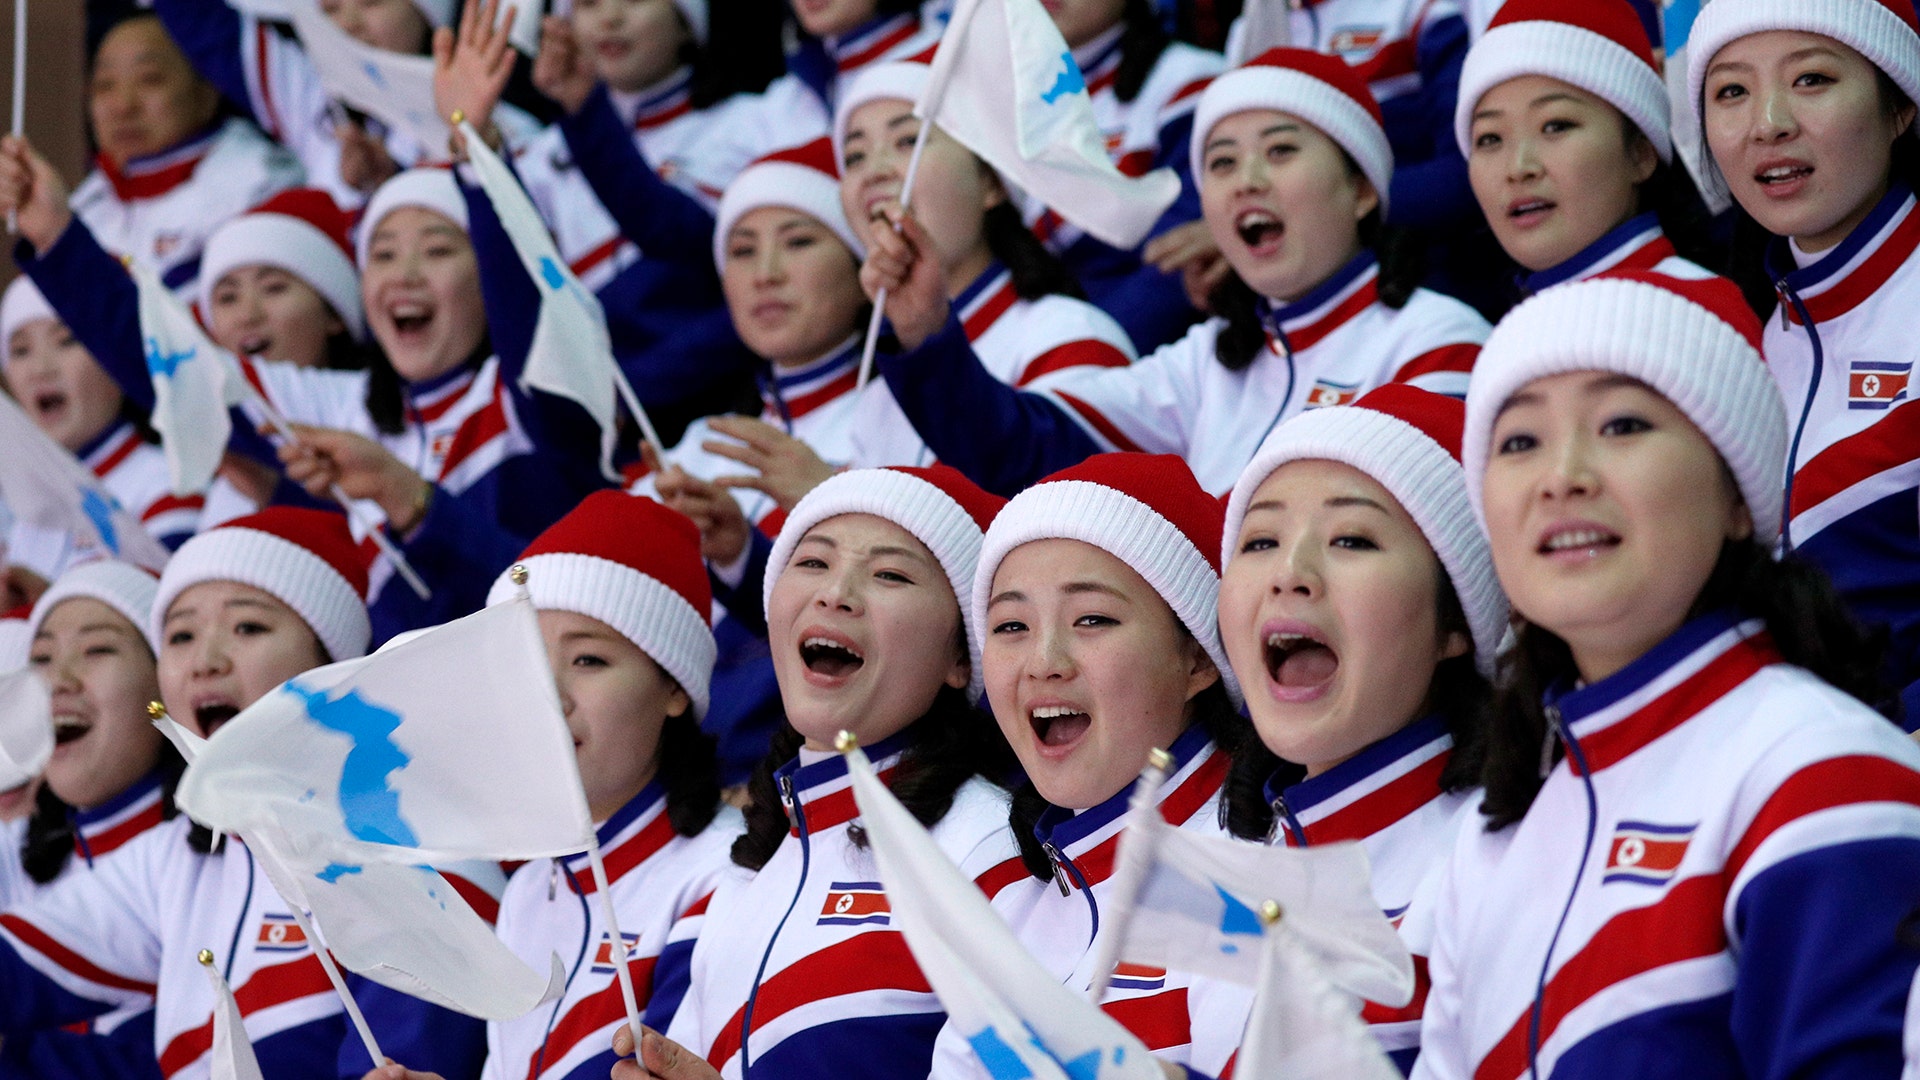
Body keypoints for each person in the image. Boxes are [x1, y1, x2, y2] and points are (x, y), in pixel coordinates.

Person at [1413, 272, 1920, 1078]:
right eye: (1519, 442)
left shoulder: (1823, 777)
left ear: (1737, 502)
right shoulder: (1492, 838)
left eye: (1621, 424)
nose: (1562, 476)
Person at [3, 162, 611, 643]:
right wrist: (57, 236)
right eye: (383, 253)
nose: (405, 274)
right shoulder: (339, 408)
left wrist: (479, 159)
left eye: (439, 249)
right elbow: (176, 365)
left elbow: (539, 607)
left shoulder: (532, 395)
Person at [0, 508, 491, 1078]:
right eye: (180, 636)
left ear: (330, 663)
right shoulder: (174, 862)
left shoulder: (414, 831)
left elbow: (410, 1054)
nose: (205, 662)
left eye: (248, 628)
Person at [870, 48, 1488, 496]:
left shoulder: (1435, 338)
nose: (1246, 180)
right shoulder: (1206, 363)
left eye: (1280, 151)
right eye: (1220, 162)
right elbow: (1027, 447)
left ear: (1360, 191)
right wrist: (927, 334)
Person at [657, 466, 1022, 1079]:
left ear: (961, 657)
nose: (836, 594)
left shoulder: (986, 849)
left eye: (890, 574)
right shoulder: (744, 873)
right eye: (812, 563)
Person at [370, 492, 741, 1080]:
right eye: (524, 662)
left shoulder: (722, 876)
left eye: (588, 661)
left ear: (675, 688)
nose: (549, 696)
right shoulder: (531, 892)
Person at [1202, 385, 1502, 1074]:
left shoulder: (1495, 854)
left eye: (1351, 539)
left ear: (1453, 623)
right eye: (1259, 540)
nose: (1290, 573)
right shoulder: (1227, 867)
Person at [931, 452, 1244, 1075]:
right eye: (1011, 625)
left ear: (1199, 659)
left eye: (1092, 619)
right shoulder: (1012, 920)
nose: (1044, 661)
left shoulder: (1267, 873)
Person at [1688, 0, 1920, 724]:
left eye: (1812, 78)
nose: (1768, 122)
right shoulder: (1735, 346)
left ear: (1898, 107)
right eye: (1731, 90)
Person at [3, 561, 179, 1079]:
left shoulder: (206, 858)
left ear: (168, 683)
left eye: (98, 649)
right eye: (40, 659)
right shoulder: (22, 850)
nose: (58, 681)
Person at [1456, 0, 1713, 298]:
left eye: (1555, 126)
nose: (1518, 168)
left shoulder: (1691, 315)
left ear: (1641, 153)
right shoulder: (1533, 323)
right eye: (1490, 139)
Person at [1028, 0, 1225, 352]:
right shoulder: (1002, 94)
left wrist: (1076, 352)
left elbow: (1173, 266)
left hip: (1129, 355)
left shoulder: (1187, 80)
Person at [74, 13, 303, 297]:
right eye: (105, 84)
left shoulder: (261, 181)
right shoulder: (84, 205)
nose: (122, 106)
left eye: (149, 79)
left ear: (208, 88)